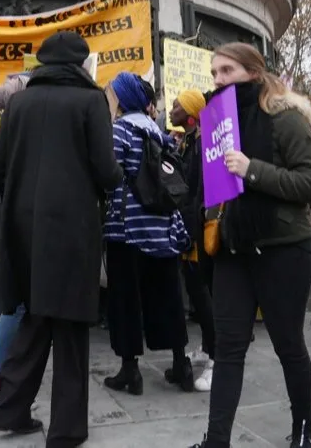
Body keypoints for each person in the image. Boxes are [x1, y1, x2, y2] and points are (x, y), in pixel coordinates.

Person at [188, 43, 311, 448]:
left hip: (284, 249)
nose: (217, 80)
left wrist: (253, 171)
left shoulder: (285, 120)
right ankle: (216, 440)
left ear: (253, 72)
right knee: (228, 350)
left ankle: (304, 429)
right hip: (235, 250)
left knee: (288, 345)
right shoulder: (219, 125)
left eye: (226, 71)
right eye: (214, 72)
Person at [0, 31, 122, 447]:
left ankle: (9, 410)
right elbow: (107, 170)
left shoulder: (21, 101)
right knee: (70, 326)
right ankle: (66, 430)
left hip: (24, 230)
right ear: (81, 62)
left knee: (37, 317)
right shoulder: (90, 99)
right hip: (71, 229)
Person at [102, 72, 192, 397]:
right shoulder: (157, 130)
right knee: (167, 297)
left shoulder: (119, 130)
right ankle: (181, 364)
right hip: (163, 227)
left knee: (126, 300)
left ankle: (131, 372)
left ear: (123, 99)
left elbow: (109, 174)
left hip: (127, 229)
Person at [0, 73, 30, 409]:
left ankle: (0, 377)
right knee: (15, 305)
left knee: (15, 304)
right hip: (22, 226)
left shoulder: (7, 126)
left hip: (13, 225)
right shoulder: (17, 128)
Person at [170, 89, 216, 392]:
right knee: (197, 296)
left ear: (190, 115)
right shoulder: (188, 142)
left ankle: (218, 359)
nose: (170, 110)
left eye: (176, 106)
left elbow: (200, 190)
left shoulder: (202, 146)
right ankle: (208, 347)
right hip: (187, 229)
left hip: (198, 230)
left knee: (206, 296)